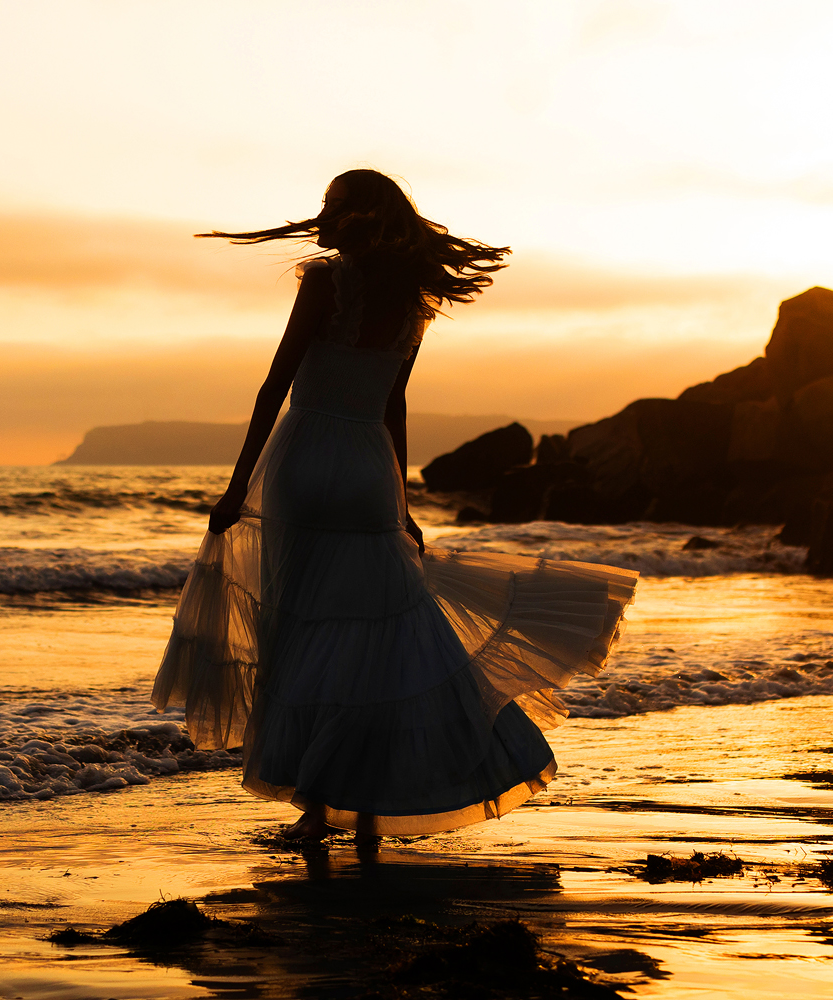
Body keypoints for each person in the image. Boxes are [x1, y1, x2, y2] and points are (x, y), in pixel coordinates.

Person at [152, 169, 637, 839]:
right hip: (368, 469)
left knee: (301, 628)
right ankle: (370, 801)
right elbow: (393, 403)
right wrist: (401, 500)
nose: (322, 213)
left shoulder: (326, 280)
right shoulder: (415, 297)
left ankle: (319, 808)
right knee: (380, 631)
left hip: (303, 462)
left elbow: (276, 384)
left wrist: (237, 486)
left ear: (358, 216)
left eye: (333, 204)